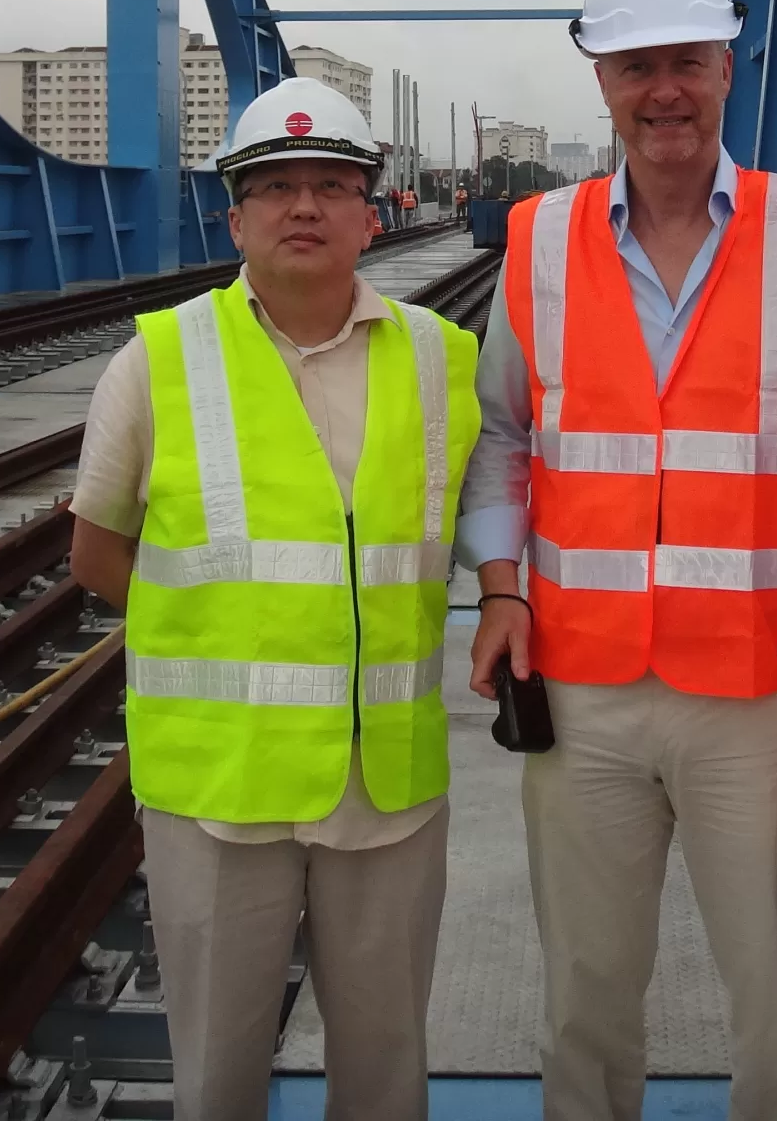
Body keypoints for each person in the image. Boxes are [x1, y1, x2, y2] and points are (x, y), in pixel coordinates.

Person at [462, 0, 777, 1121]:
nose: (663, 89)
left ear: (728, 67)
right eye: (636, 66)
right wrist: (502, 586)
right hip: (583, 690)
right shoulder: (540, 239)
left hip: (765, 692)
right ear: (602, 82)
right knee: (582, 994)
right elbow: (502, 432)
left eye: (686, 60)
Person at [67, 75, 481, 1121]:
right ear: (235, 218)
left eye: (332, 185)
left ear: (370, 213)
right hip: (220, 789)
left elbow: (479, 522)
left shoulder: (442, 360)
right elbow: (97, 551)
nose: (304, 206)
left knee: (386, 1072)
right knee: (218, 1075)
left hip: (385, 783)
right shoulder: (158, 361)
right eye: (275, 187)